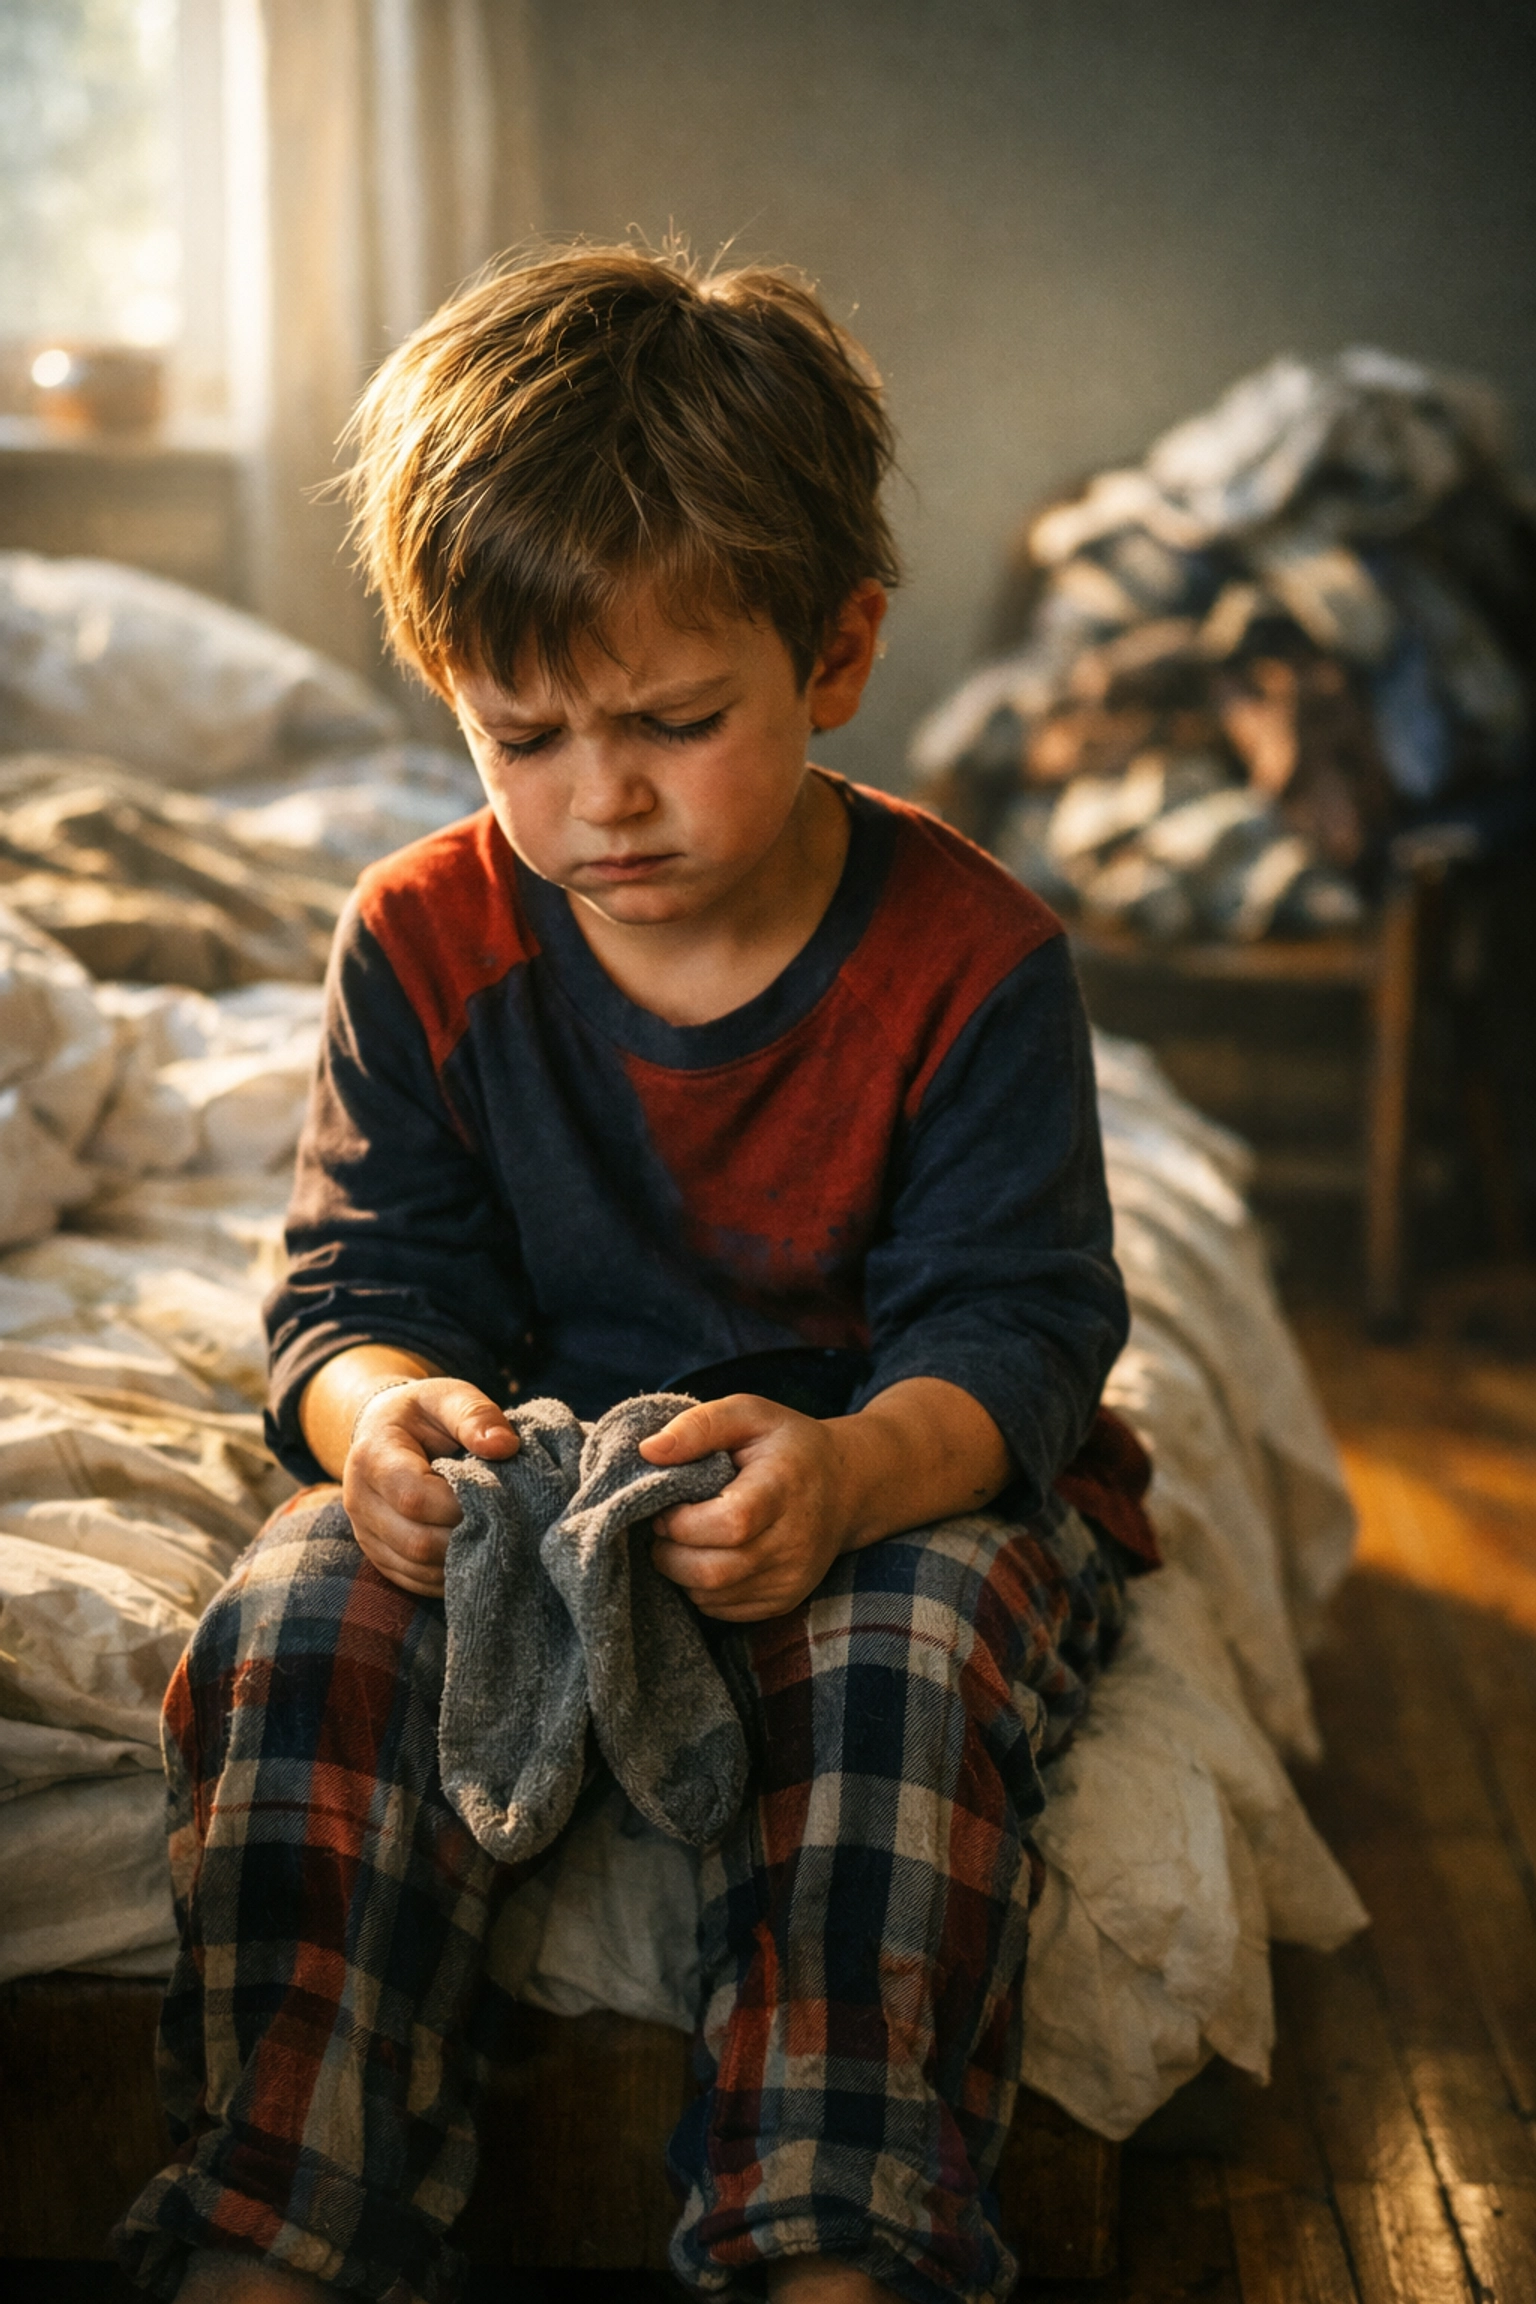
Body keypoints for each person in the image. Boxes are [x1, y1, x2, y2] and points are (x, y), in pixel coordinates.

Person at [117, 244, 1147, 2304]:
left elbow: (1020, 1337)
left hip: (878, 1468)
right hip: (536, 1478)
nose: (603, 799)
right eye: (525, 735)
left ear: (837, 651)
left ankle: (831, 2226)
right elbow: (352, 1289)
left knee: (902, 1669)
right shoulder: (421, 935)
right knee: (300, 1612)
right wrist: (377, 1417)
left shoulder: (975, 962)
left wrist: (852, 1478)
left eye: (679, 722)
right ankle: (283, 2212)